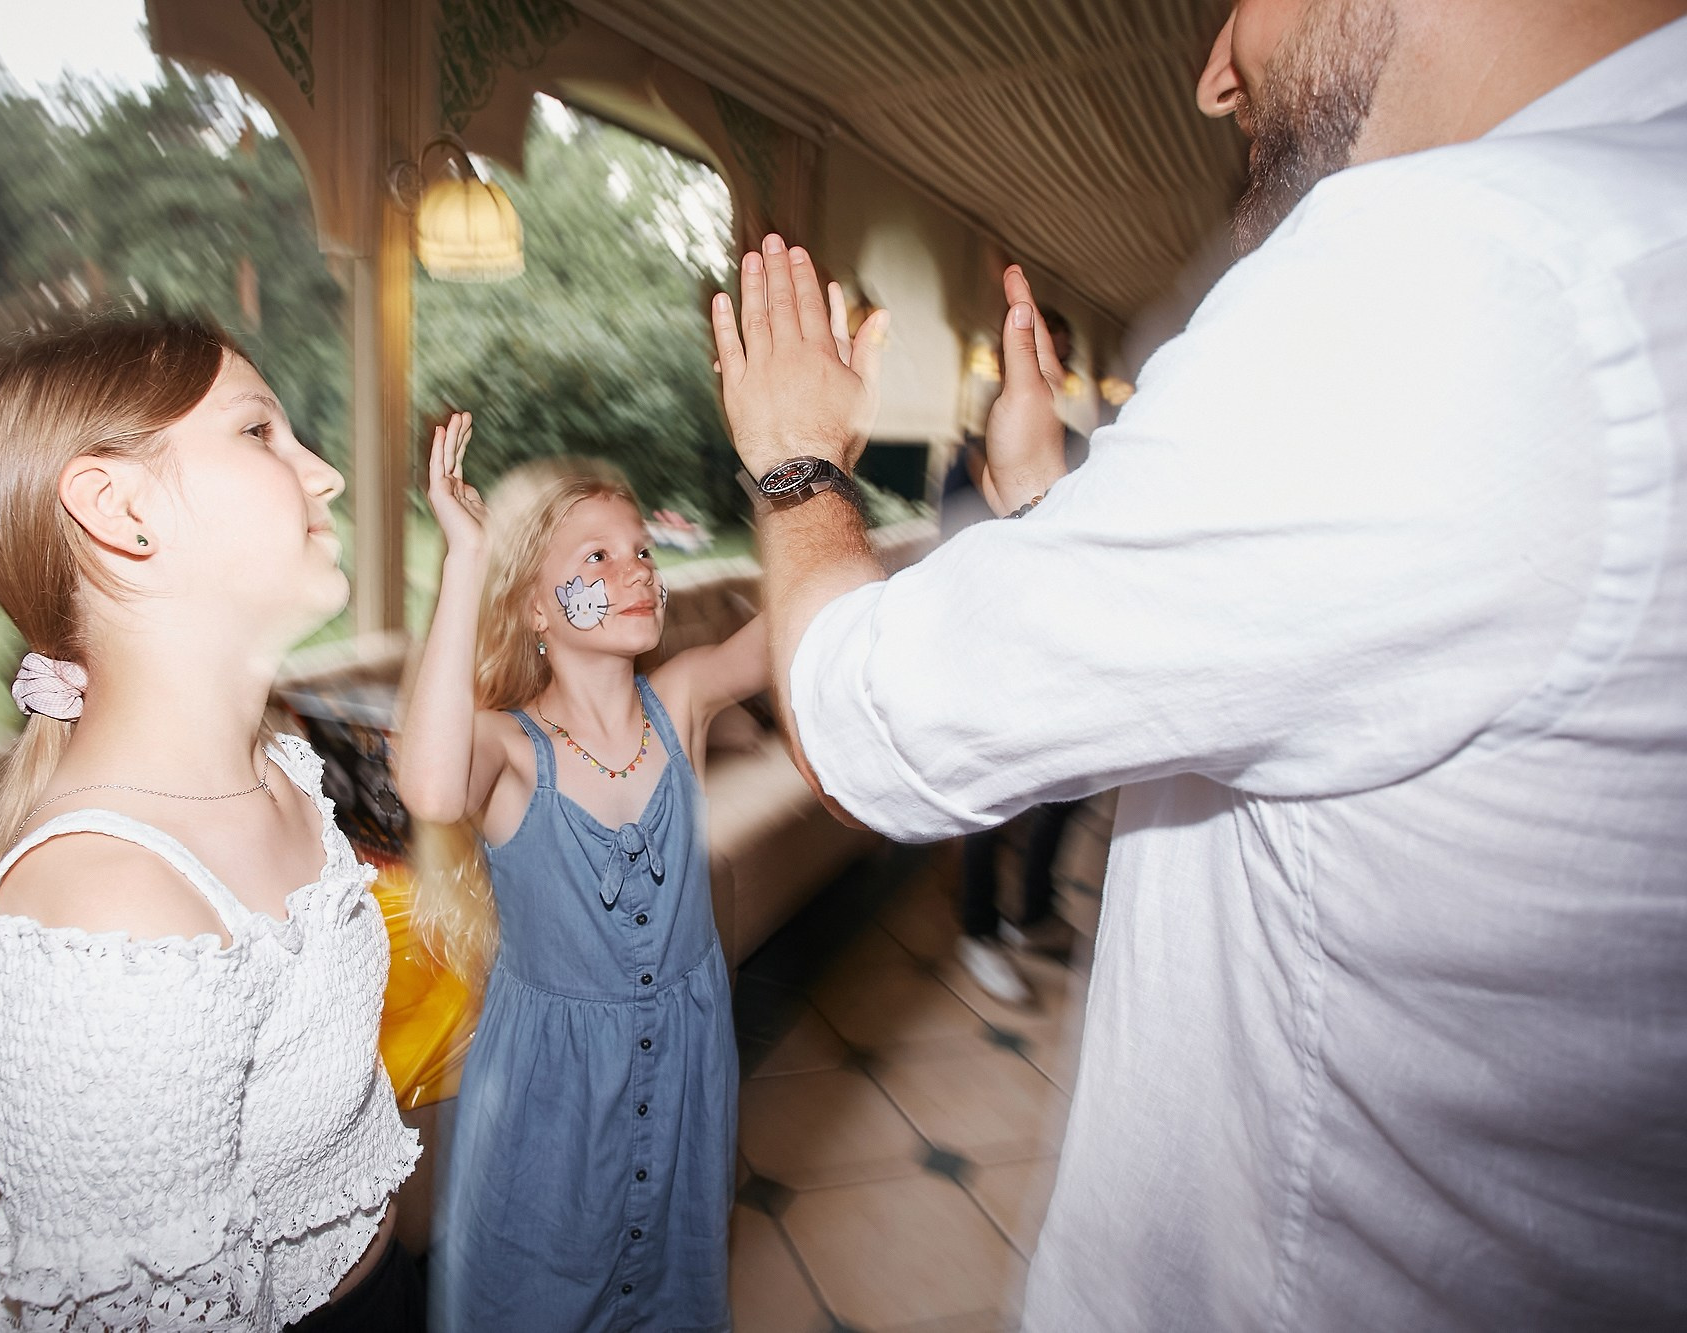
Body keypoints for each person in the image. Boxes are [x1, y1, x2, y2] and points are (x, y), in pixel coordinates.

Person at [705, 1, 1687, 1328]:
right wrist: (1051, 511)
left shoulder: (1457, 269)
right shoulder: (1632, 236)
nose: (1216, 71)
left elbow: (863, 728)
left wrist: (794, 459)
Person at [0, 318, 422, 1332]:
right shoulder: (108, 911)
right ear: (120, 507)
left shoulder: (283, 774)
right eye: (259, 433)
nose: (323, 474)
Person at [395, 414, 766, 1332]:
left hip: (685, 1070)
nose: (635, 568)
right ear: (534, 606)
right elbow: (433, 785)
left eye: (640, 549)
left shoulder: (677, 703)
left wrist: (804, 465)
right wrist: (467, 558)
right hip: (548, 1102)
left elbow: (791, 630)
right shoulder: (510, 749)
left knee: (669, 1289)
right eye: (594, 557)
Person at [942, 307, 1086, 1004]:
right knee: (990, 801)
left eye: (1057, 353)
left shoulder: (1085, 448)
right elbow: (956, 553)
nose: (1045, 364)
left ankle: (1031, 910)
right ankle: (978, 931)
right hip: (990, 646)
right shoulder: (969, 454)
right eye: (1034, 350)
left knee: (1069, 788)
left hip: (1061, 648)